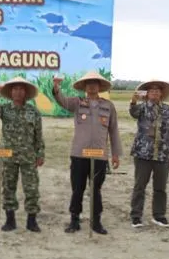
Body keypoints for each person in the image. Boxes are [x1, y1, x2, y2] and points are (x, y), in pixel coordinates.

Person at [52, 71, 122, 234]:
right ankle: (74, 220)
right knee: (77, 188)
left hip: (99, 156)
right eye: (89, 83)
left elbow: (113, 131)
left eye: (95, 83)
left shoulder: (108, 106)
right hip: (79, 154)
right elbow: (61, 101)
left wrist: (116, 154)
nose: (92, 86)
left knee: (96, 189)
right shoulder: (77, 103)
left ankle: (96, 222)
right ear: (84, 86)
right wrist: (56, 87)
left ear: (99, 86)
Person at [0, 76, 45, 232]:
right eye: (15, 89)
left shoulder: (34, 112)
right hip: (8, 155)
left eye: (21, 89)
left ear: (25, 93)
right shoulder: (5, 109)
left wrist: (40, 153)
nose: (18, 92)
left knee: (32, 188)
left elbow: (38, 135)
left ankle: (31, 221)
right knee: (8, 187)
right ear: (11, 92)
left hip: (28, 156)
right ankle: (10, 220)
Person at [128, 79, 169, 228]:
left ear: (162, 93)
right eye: (152, 90)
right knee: (140, 186)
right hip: (143, 154)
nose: (155, 92)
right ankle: (136, 216)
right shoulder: (142, 108)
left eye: (158, 90)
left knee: (160, 188)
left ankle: (159, 216)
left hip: (163, 155)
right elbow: (133, 112)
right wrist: (133, 100)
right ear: (147, 93)